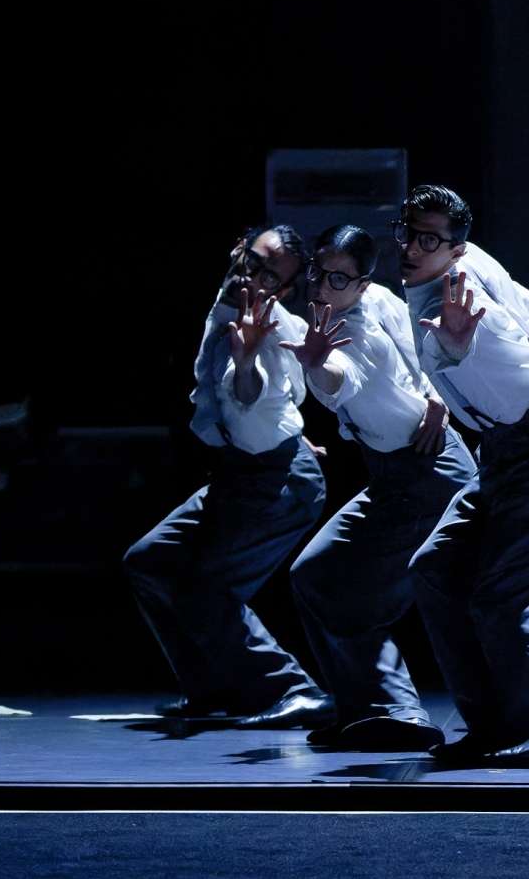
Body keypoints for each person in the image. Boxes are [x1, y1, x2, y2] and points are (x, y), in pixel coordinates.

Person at [396, 185, 529, 768]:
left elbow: (519, 363)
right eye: (409, 233)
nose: (413, 247)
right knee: (437, 569)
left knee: (507, 596)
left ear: (457, 245)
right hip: (508, 449)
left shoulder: (462, 292)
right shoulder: (439, 282)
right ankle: (494, 722)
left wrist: (466, 349)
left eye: (430, 238)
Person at [124, 225, 331, 728]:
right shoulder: (227, 302)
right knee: (151, 561)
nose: (253, 277)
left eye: (269, 277)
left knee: (207, 589)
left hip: (278, 483)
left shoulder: (266, 327)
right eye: (253, 262)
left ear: (282, 291)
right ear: (239, 249)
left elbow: (251, 391)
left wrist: (245, 362)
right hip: (243, 469)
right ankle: (210, 685)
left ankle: (294, 690)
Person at [281, 225, 476, 752]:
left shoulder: (359, 325)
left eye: (339, 278)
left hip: (430, 473)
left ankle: (398, 710)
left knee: (386, 592)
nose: (323, 285)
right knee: (317, 576)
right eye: (319, 272)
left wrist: (319, 362)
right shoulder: (346, 314)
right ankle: (380, 709)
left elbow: (345, 378)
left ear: (364, 283)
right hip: (395, 476)